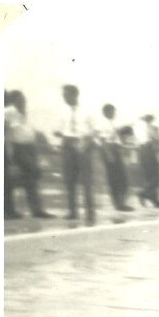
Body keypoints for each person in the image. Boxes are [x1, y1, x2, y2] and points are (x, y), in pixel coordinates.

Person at [4, 90, 53, 219]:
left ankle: (36, 210)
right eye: (19, 100)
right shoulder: (8, 113)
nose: (22, 102)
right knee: (12, 180)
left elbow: (33, 133)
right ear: (13, 102)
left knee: (32, 180)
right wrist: (10, 156)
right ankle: (9, 211)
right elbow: (5, 133)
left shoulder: (27, 114)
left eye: (23, 99)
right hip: (17, 148)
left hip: (30, 148)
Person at [54, 84, 96, 223]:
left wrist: (85, 143)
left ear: (74, 95)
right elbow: (59, 129)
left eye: (66, 94)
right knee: (69, 179)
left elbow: (93, 130)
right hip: (67, 144)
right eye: (63, 95)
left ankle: (90, 212)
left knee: (86, 180)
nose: (64, 97)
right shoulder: (62, 111)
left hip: (82, 143)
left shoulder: (87, 110)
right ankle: (73, 211)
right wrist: (58, 132)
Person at [97, 104, 133, 212]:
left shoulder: (113, 124)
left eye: (114, 112)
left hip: (116, 149)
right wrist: (108, 154)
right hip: (109, 149)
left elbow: (120, 137)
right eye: (111, 112)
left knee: (123, 179)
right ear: (105, 112)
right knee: (114, 179)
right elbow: (103, 141)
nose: (113, 114)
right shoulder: (102, 124)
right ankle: (119, 204)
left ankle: (121, 203)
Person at [136, 114, 159, 207]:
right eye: (150, 118)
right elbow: (157, 138)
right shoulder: (149, 127)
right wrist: (157, 136)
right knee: (157, 177)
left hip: (142, 151)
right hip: (148, 150)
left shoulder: (138, 126)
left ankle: (153, 199)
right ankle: (143, 194)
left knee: (149, 177)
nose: (151, 120)